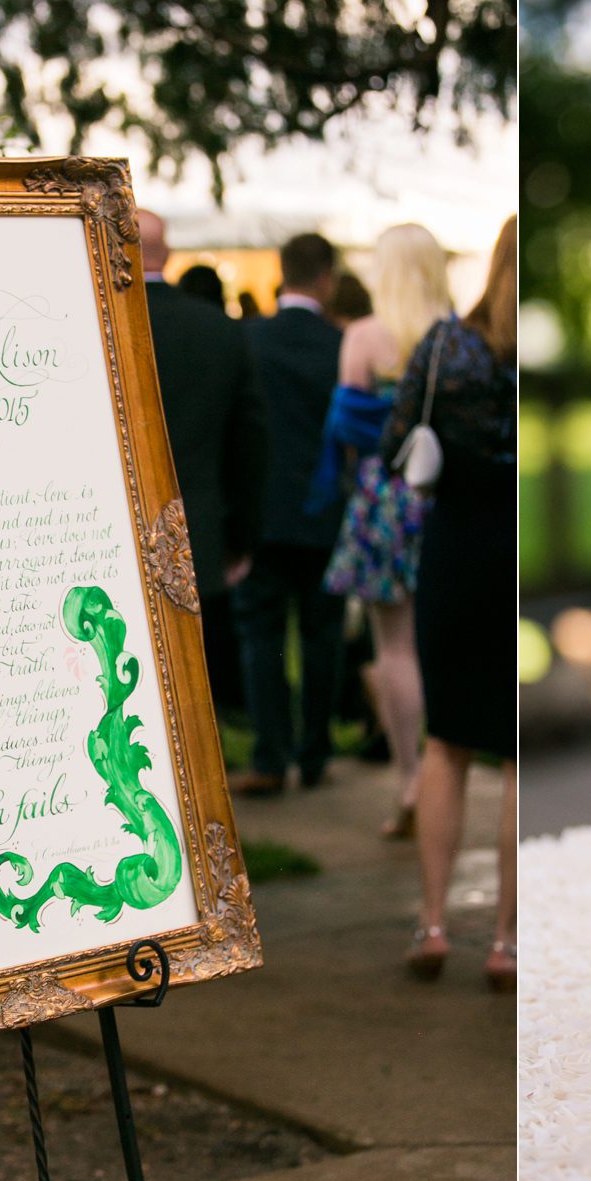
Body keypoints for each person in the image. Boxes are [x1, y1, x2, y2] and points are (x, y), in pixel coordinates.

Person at [380, 216, 517, 992]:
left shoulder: (444, 346)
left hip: (457, 549)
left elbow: (399, 441)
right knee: (514, 756)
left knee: (447, 743)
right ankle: (504, 941)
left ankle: (433, 925)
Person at [315, 225, 450, 838]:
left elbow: (346, 430)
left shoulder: (365, 337)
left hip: (382, 498)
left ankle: (410, 780)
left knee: (392, 648)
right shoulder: (458, 337)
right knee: (434, 644)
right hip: (443, 498)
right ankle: (445, 773)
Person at [137, 211, 266, 712]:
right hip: (199, 525)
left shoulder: (85, 319)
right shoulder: (216, 328)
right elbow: (249, 440)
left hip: (109, 528)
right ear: (166, 255)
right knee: (192, 682)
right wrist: (241, 536)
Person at [232, 232, 347, 795]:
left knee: (262, 636)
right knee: (323, 636)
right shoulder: (341, 345)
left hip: (263, 513)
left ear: (282, 273)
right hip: (326, 512)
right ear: (326, 279)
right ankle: (317, 753)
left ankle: (271, 756)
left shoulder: (249, 338)